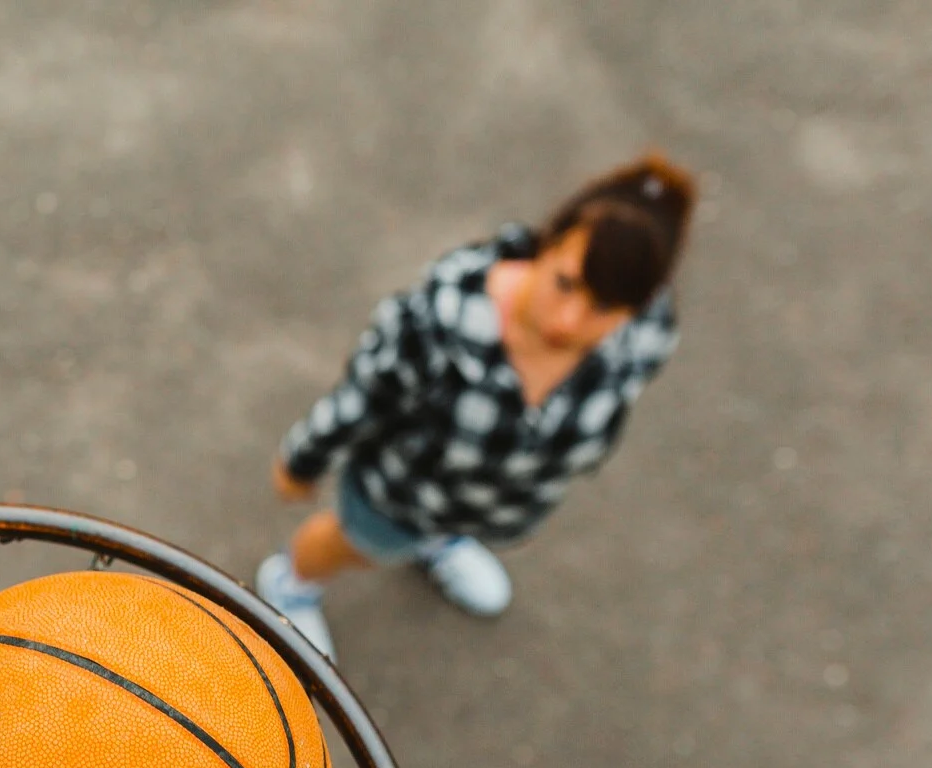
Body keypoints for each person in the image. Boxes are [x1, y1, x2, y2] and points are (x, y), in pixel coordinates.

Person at [257, 152, 697, 659]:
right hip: (400, 493)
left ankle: (439, 543)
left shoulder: (646, 335)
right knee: (354, 543)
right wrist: (302, 461)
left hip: (490, 501)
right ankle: (291, 582)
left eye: (604, 308)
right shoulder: (442, 320)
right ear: (547, 245)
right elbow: (363, 397)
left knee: (436, 530)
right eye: (566, 283)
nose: (570, 322)